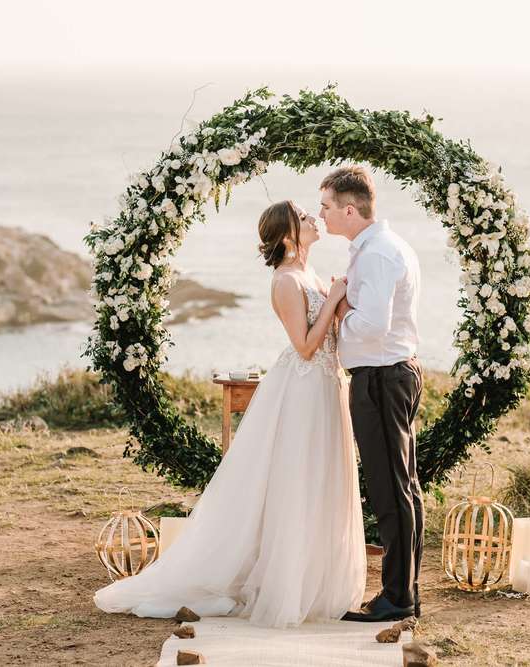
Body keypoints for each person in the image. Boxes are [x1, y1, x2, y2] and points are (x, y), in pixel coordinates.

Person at [94, 200, 367, 628]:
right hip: (303, 390)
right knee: (297, 480)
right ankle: (284, 585)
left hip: (328, 387)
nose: (314, 216)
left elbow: (330, 337)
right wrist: (333, 299)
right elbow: (305, 346)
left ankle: (316, 582)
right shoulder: (285, 282)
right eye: (303, 214)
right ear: (287, 234)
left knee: (322, 478)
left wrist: (339, 304)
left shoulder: (310, 274)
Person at [319, 166, 424, 622]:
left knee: (391, 489)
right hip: (387, 375)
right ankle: (404, 593)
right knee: (401, 487)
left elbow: (372, 323)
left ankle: (397, 599)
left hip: (382, 379)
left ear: (349, 208)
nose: (320, 215)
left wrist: (338, 307)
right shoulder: (377, 247)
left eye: (326, 207)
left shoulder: (378, 253)